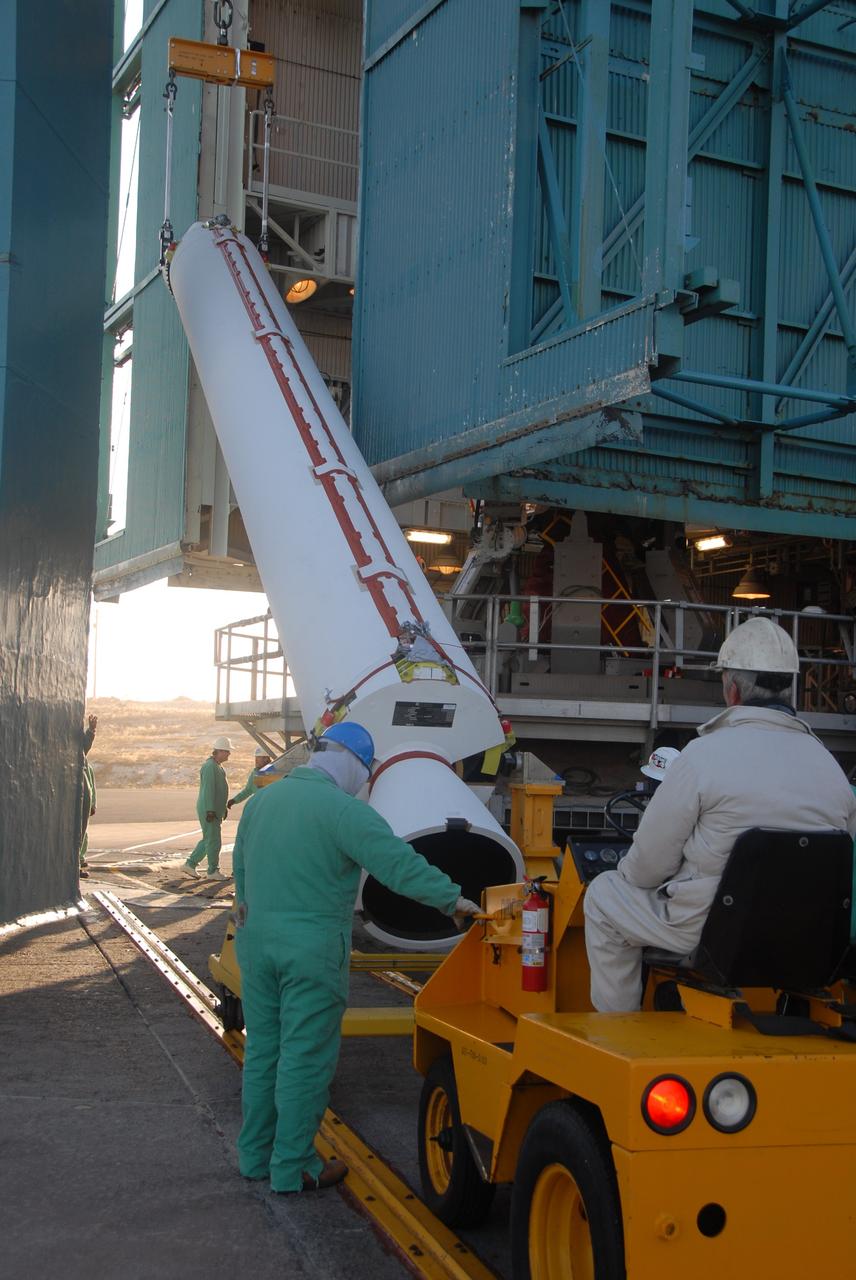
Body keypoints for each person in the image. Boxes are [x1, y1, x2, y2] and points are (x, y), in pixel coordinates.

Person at [232, 721, 480, 1194]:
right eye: (364, 773)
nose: (362, 782)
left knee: (264, 1053)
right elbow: (399, 865)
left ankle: (254, 1157)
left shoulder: (262, 801)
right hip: (311, 952)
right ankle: (294, 1168)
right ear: (351, 762)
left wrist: (250, 918)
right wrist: (453, 900)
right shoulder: (344, 812)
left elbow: (241, 868)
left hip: (257, 944)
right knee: (305, 1058)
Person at [584, 617, 856, 1013]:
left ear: (731, 689)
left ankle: (618, 1030)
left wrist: (645, 882)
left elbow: (646, 869)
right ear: (790, 687)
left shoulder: (703, 757)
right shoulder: (829, 766)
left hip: (711, 932)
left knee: (605, 895)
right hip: (804, 938)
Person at [183, 736, 233, 881]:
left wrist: (222, 808)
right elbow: (209, 790)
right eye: (228, 751)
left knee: (209, 839)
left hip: (213, 810)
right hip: (209, 810)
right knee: (214, 841)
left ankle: (190, 864)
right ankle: (212, 870)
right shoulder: (211, 767)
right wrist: (210, 810)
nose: (229, 754)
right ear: (221, 751)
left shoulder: (215, 766)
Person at [78, 714, 98, 880]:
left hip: (83, 793)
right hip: (78, 791)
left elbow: (84, 747)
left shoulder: (85, 763)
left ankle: (76, 864)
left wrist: (91, 731)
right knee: (78, 831)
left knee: (81, 832)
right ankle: (75, 865)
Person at [227, 746, 273, 812]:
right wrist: (234, 800)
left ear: (266, 759)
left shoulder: (273, 773)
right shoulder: (255, 773)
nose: (256, 760)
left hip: (269, 808)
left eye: (258, 757)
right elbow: (248, 790)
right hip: (259, 808)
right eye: (256, 757)